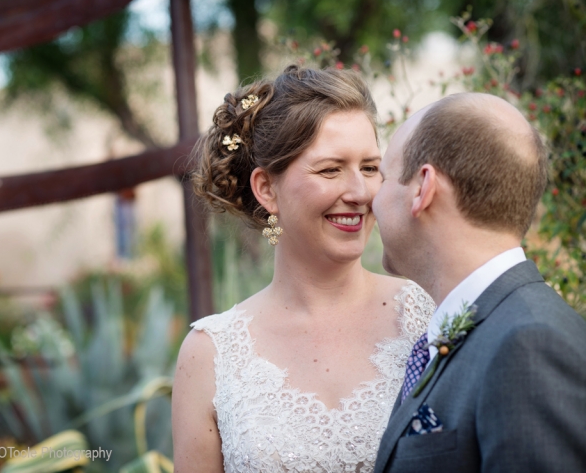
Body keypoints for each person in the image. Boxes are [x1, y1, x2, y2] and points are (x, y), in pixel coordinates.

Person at [171, 65, 435, 473]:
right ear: (266, 188)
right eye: (330, 169)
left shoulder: (427, 315)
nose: (360, 192)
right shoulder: (210, 355)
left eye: (369, 168)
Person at [372, 92, 586, 473]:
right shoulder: (494, 326)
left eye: (384, 177)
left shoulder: (529, 346)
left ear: (423, 188)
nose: (371, 197)